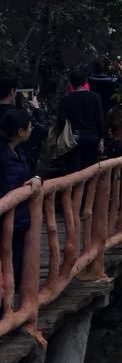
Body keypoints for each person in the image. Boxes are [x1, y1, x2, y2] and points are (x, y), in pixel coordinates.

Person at [0, 107, 42, 294]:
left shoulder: (20, 151)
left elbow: (28, 175)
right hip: (8, 218)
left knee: (13, 264)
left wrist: (37, 179)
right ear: (20, 131)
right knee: (6, 265)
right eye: (29, 126)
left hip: (19, 219)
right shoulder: (4, 156)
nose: (32, 129)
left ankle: (9, 310)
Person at [56, 68, 105, 172]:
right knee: (89, 169)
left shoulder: (66, 100)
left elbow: (61, 121)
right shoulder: (95, 97)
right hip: (92, 137)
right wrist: (101, 139)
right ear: (85, 81)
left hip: (74, 138)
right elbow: (99, 119)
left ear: (71, 83)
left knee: (74, 170)